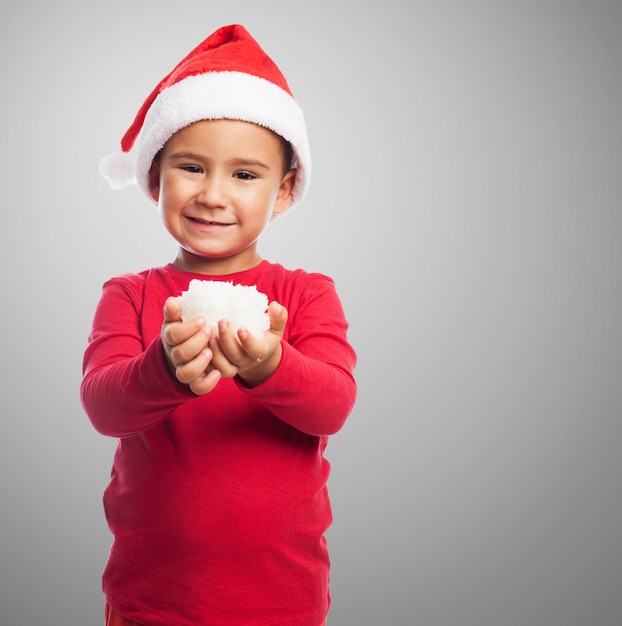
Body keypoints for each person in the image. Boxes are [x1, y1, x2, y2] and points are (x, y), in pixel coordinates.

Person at [81, 24, 357, 626]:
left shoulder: (307, 295)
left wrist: (271, 366)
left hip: (281, 600)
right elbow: (104, 408)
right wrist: (165, 370)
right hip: (151, 601)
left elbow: (333, 405)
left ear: (283, 192)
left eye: (244, 175)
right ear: (155, 177)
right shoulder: (129, 295)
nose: (212, 194)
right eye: (191, 167)